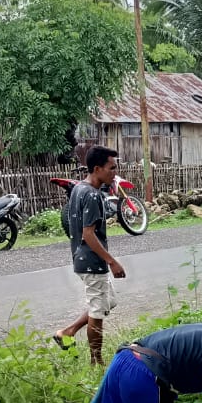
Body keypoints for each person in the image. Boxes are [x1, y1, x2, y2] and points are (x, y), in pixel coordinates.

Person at [54, 146, 126, 366]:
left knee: (108, 301)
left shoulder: (79, 188)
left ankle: (69, 331)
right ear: (97, 168)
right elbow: (88, 233)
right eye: (111, 168)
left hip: (81, 257)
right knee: (98, 311)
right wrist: (112, 261)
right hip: (92, 261)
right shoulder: (93, 195)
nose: (115, 172)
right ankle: (97, 361)